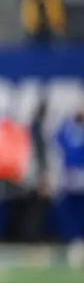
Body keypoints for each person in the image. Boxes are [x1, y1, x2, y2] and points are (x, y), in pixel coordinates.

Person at [53, 106, 84, 268]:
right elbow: (57, 148)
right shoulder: (67, 128)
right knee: (70, 213)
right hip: (70, 177)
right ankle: (74, 242)